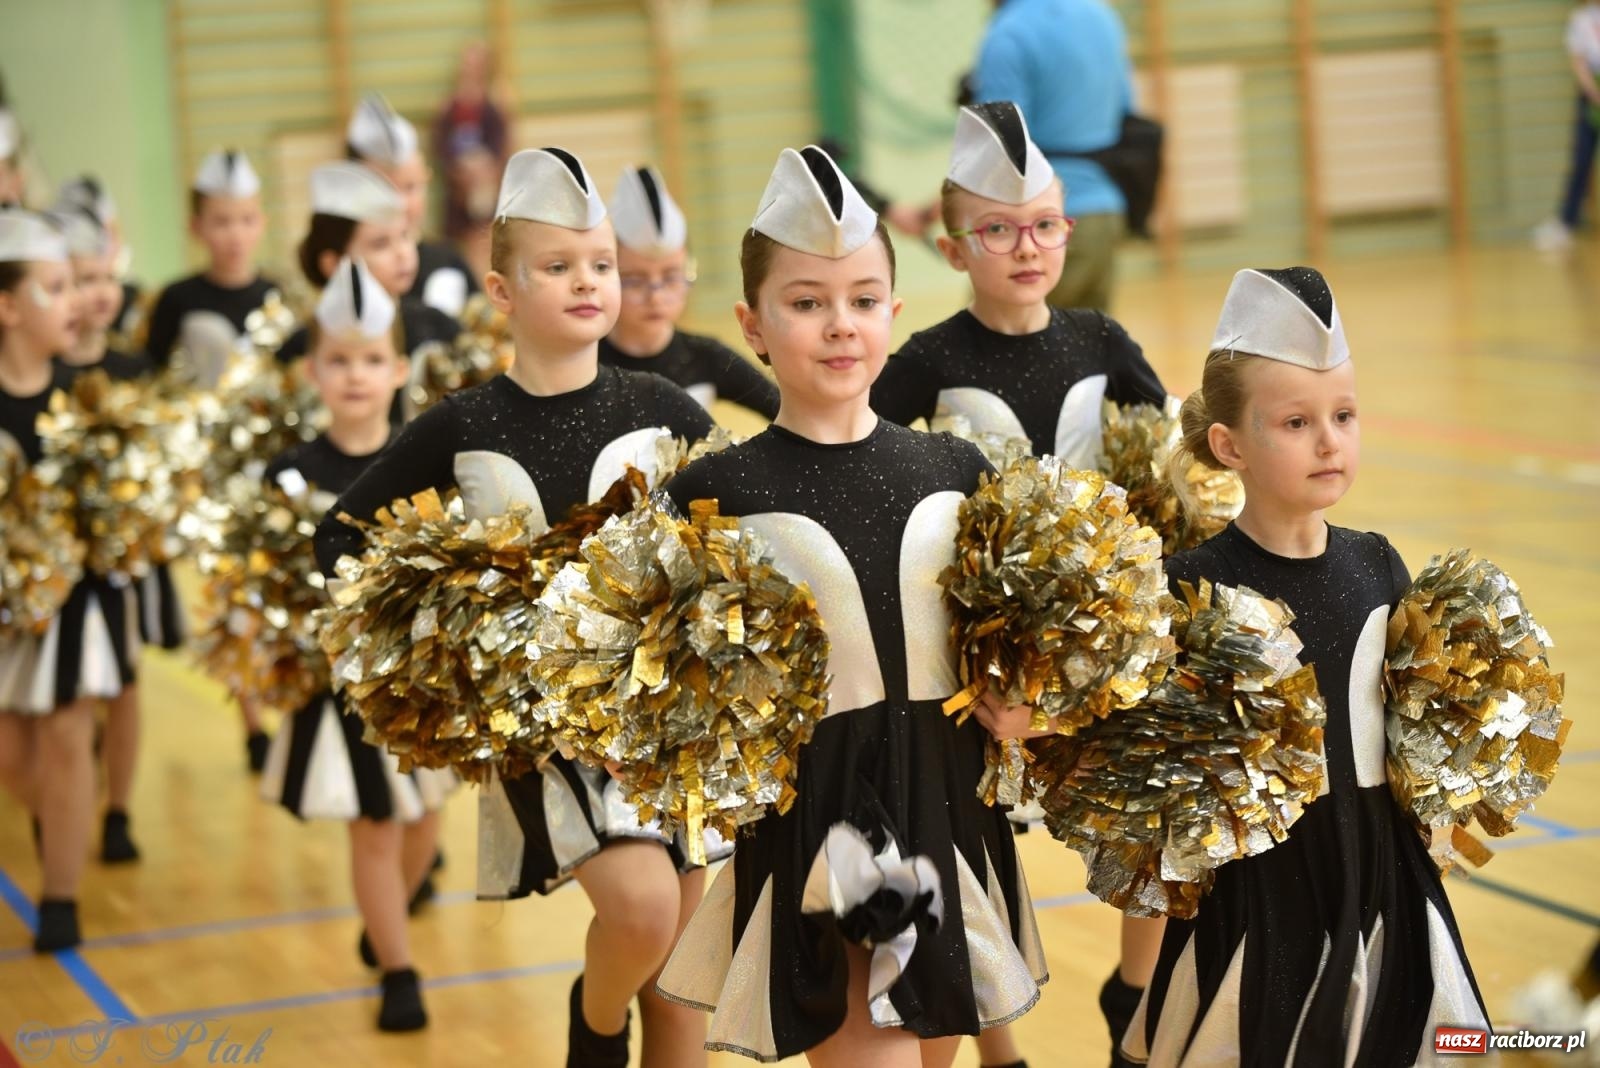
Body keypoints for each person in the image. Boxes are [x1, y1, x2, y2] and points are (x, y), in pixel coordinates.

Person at [314, 147, 719, 1068]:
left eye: (601, 264)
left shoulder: (660, 402)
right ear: (500, 290)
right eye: (558, 265)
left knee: (681, 979)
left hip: (666, 719)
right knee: (642, 911)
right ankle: (594, 1023)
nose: (588, 282)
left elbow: (746, 510)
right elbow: (339, 535)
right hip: (544, 730)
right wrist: (438, 635)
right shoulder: (463, 424)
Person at [655, 144, 1048, 1067]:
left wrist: (1030, 705)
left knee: (930, 1051)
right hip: (827, 827)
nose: (840, 326)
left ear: (894, 315)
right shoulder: (712, 495)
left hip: (950, 810)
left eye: (864, 301)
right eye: (806, 304)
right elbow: (650, 676)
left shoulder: (958, 470)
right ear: (752, 326)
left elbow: (1014, 642)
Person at [1125, 267, 1487, 1064]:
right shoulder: (1190, 585)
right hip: (1260, 891)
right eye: (1296, 422)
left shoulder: (1378, 564)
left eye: (1344, 415)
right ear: (1230, 446)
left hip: (1381, 872)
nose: (1330, 441)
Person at [873, 99, 1166, 1068]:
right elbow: (868, 456)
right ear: (953, 248)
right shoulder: (930, 359)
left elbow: (1171, 464)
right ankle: (995, 1046)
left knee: (1155, 819)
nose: (1026, 247)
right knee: (970, 855)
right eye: (997, 231)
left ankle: (1134, 993)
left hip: (1094, 648)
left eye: (1043, 225)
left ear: (1068, 230)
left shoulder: (1099, 339)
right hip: (977, 655)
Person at [259, 256, 448, 1032]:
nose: (356, 376)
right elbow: (266, 580)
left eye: (371, 360)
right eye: (338, 361)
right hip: (338, 682)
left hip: (421, 679)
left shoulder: (422, 457)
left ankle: (386, 918)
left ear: (399, 369)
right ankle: (399, 971)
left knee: (425, 821)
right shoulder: (290, 472)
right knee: (374, 826)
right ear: (312, 371)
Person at [0, 209, 138, 951]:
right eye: (53, 288)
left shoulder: (83, 399)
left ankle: (60, 897)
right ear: (8, 307)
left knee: (65, 733)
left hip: (80, 599)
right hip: (5, 608)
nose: (73, 301)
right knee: (12, 753)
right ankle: (62, 815)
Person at [51, 207, 153, 865]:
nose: (97, 293)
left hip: (120, 563)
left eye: (105, 278)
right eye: (80, 279)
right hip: (54, 564)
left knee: (123, 683)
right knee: (66, 697)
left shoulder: (131, 367)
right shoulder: (40, 372)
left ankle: (118, 808)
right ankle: (62, 804)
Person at [969, 0, 1135, 312]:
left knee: (993, 341)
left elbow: (1001, 145)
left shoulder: (1010, 32)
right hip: (1105, 213)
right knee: (1088, 341)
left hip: (1035, 227)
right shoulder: (1102, 17)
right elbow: (1127, 114)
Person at [274, 160, 459, 425]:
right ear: (333, 263)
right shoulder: (301, 347)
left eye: (405, 235)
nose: (403, 253)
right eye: (380, 244)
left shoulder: (437, 326)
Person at [600, 164, 779, 421]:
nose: (656, 297)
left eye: (671, 277)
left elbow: (784, 410)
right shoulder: (586, 362)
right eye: (635, 280)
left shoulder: (706, 356)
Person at [143, 150, 277, 373]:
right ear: (196, 226)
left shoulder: (276, 296)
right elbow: (153, 371)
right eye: (222, 222)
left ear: (263, 223)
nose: (236, 235)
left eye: (247, 220)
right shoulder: (176, 298)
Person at [345, 92, 478, 316]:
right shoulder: (348, 272)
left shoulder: (449, 261)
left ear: (426, 180)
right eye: (385, 190)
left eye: (410, 187)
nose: (400, 205)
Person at [433, 42, 509, 281]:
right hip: (458, 187)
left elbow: (501, 145)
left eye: (475, 62)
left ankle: (481, 282)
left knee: (482, 238)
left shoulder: (493, 106)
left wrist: (485, 171)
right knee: (458, 244)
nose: (468, 67)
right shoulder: (449, 107)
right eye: (466, 61)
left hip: (484, 186)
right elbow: (441, 146)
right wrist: (459, 173)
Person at [1534, 0, 1600, 252]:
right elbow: (1578, 62)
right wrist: (1593, 93)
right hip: (1590, 96)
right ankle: (1565, 224)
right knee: (1581, 160)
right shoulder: (1580, 19)